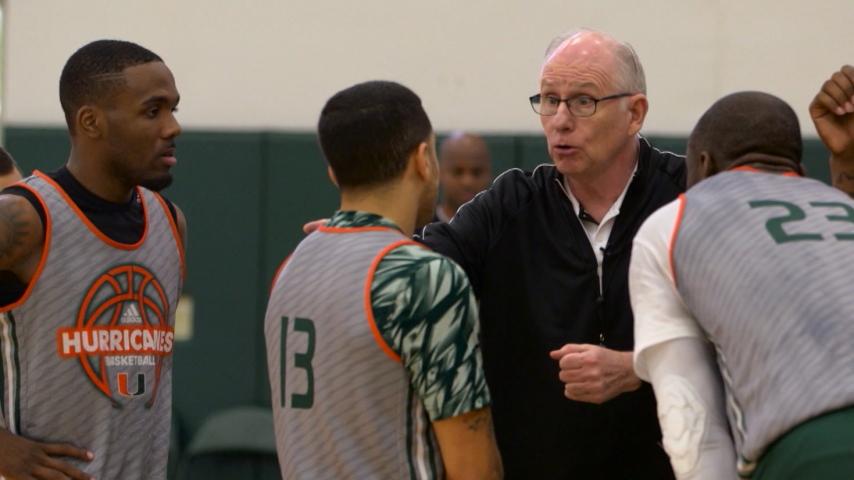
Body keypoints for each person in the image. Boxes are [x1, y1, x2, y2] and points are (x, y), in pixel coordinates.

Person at [419, 29, 682, 478]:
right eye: (548, 100)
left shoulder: (689, 197)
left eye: (583, 101)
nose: (560, 120)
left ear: (634, 113)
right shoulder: (510, 205)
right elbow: (421, 263)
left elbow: (743, 335)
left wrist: (639, 366)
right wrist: (356, 242)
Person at [265, 80, 502, 479]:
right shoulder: (423, 277)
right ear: (423, 160)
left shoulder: (290, 266)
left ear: (333, 172)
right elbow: (474, 469)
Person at [631, 83, 854, 479]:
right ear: (799, 171)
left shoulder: (671, 224)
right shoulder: (844, 204)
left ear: (704, 165)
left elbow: (693, 430)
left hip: (817, 448)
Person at [0, 40, 185, 479]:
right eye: (153, 111)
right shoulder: (23, 218)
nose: (173, 126)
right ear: (91, 122)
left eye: (174, 109)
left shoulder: (170, 222)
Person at [435, 131, 492, 222]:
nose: (467, 182)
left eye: (476, 172)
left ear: (489, 174)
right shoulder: (418, 227)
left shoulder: (504, 227)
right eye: (458, 172)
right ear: (440, 173)